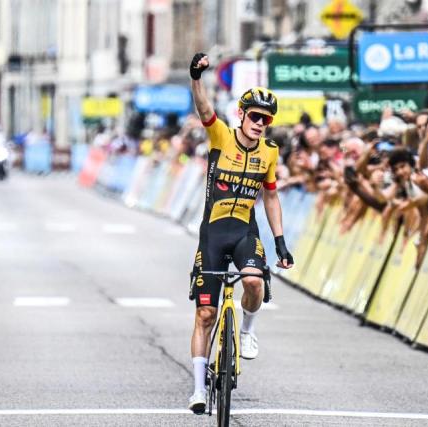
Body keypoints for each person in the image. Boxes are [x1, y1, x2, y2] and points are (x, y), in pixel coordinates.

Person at [186, 52, 294, 414]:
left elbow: (272, 197)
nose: (261, 124)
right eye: (255, 117)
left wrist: (280, 242)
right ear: (242, 116)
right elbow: (203, 110)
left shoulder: (270, 153)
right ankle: (199, 389)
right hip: (213, 233)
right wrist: (196, 78)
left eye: (266, 119)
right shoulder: (220, 136)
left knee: (253, 283)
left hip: (245, 230)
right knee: (205, 315)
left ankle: (247, 330)